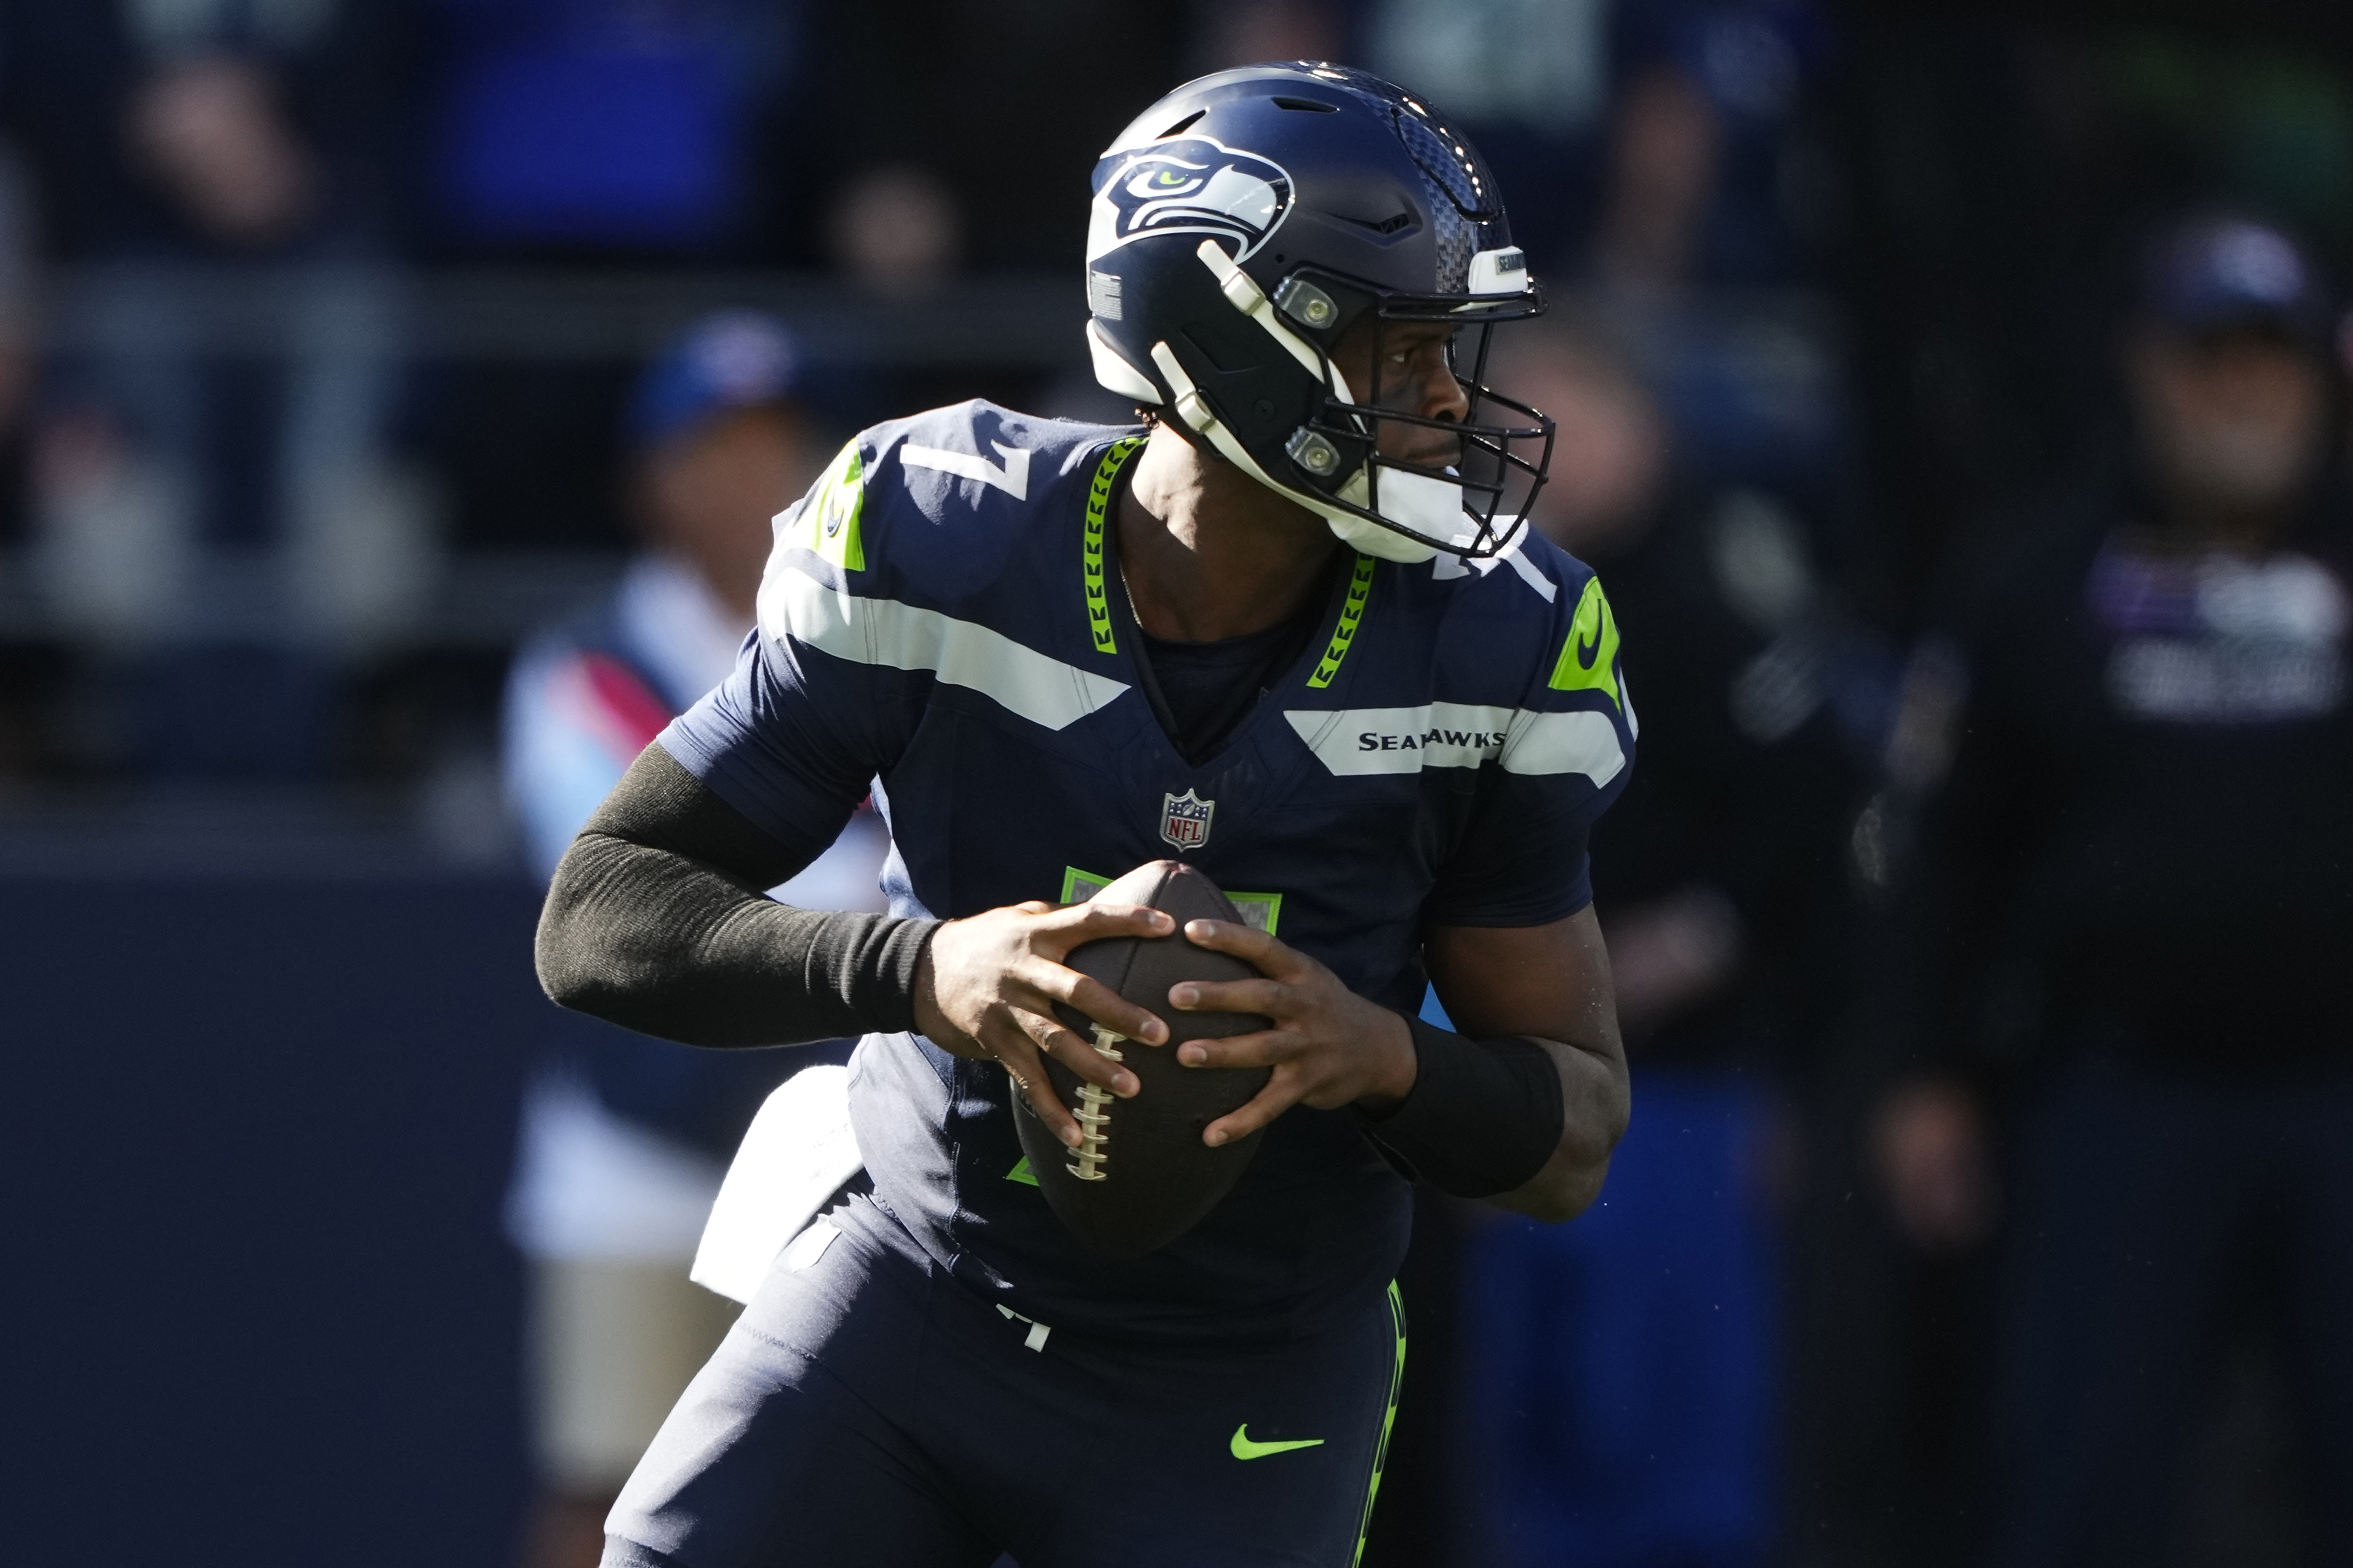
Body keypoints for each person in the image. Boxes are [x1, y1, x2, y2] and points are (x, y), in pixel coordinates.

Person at [532, 63, 1636, 1567]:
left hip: (1244, 1373)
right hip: (920, 1288)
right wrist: (922, 972)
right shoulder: (942, 536)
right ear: (1227, 340)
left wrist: (1372, 1053)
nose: (1450, 399)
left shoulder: (1493, 640)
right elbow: (602, 912)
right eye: (1398, 344)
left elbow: (1572, 1132)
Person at [1876, 212, 2353, 1564]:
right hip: (2118, 1090)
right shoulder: (2034, 583)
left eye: (2274, 360)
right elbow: (1941, 847)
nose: (2243, 392)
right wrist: (1929, 1074)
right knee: (2087, 1466)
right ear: (2146, 368)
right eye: (2211, 358)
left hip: (2346, 1089)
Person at [1452, 313, 1876, 1568]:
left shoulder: (1715, 581)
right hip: (1509, 1073)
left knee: (1675, 1447)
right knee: (1529, 1433)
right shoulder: (1478, 597)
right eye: (1507, 430)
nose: (1538, 455)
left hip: (1680, 1077)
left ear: (1641, 420)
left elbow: (1827, 805)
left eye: (1567, 417)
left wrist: (1709, 933)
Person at [502, 311, 888, 1568]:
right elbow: (639, 912)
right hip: (641, 1160)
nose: (753, 477)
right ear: (651, 481)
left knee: (835, 1510)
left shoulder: (895, 646)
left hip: (854, 1161)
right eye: (715, 446)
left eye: (784, 442)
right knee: (604, 1498)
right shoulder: (583, 671)